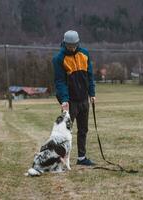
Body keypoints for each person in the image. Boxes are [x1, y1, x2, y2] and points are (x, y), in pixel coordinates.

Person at [53, 30, 96, 166]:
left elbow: (90, 76)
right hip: (70, 101)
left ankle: (81, 158)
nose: (72, 48)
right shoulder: (59, 59)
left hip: (84, 99)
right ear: (64, 43)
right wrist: (64, 99)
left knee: (83, 129)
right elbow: (60, 82)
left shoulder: (85, 54)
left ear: (78, 43)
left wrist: (92, 93)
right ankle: (61, 159)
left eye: (74, 45)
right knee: (65, 132)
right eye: (69, 46)